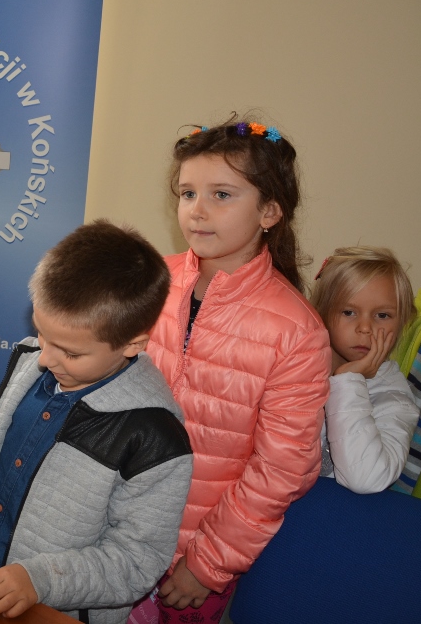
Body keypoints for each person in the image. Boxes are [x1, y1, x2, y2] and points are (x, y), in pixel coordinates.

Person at [0, 221, 193, 623]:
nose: (46, 359)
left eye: (70, 353)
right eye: (42, 335)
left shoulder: (154, 435)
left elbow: (137, 560)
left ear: (133, 344)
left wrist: (42, 580)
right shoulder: (34, 365)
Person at [144, 119, 332, 622]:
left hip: (191, 557)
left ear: (270, 211)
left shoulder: (296, 330)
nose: (197, 210)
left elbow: (281, 470)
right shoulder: (148, 282)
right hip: (113, 533)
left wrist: (208, 563)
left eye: (221, 194)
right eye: (188, 193)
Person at [310, 246, 419, 493]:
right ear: (321, 312)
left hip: (335, 511)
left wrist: (348, 381)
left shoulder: (394, 396)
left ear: (402, 322)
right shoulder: (296, 366)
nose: (365, 328)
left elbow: (366, 478)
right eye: (349, 312)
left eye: (382, 315)